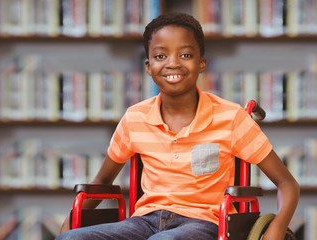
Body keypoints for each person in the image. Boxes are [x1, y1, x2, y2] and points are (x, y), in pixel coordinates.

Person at [56, 12, 300, 240]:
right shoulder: (135, 118)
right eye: (161, 56)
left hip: (206, 222)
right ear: (148, 66)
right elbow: (103, 180)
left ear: (201, 63)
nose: (172, 64)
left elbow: (287, 184)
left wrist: (277, 228)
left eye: (185, 55)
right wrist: (67, 226)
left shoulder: (231, 117)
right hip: (145, 221)